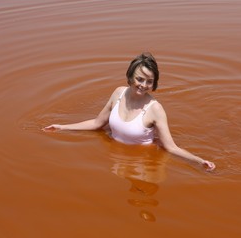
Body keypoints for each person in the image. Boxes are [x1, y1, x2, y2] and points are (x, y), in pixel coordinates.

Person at [43, 52, 216, 172]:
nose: (143, 85)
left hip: (143, 162)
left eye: (149, 81)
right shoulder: (118, 93)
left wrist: (199, 161)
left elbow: (170, 147)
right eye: (139, 79)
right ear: (130, 77)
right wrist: (62, 127)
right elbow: (97, 123)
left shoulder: (155, 109)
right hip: (115, 159)